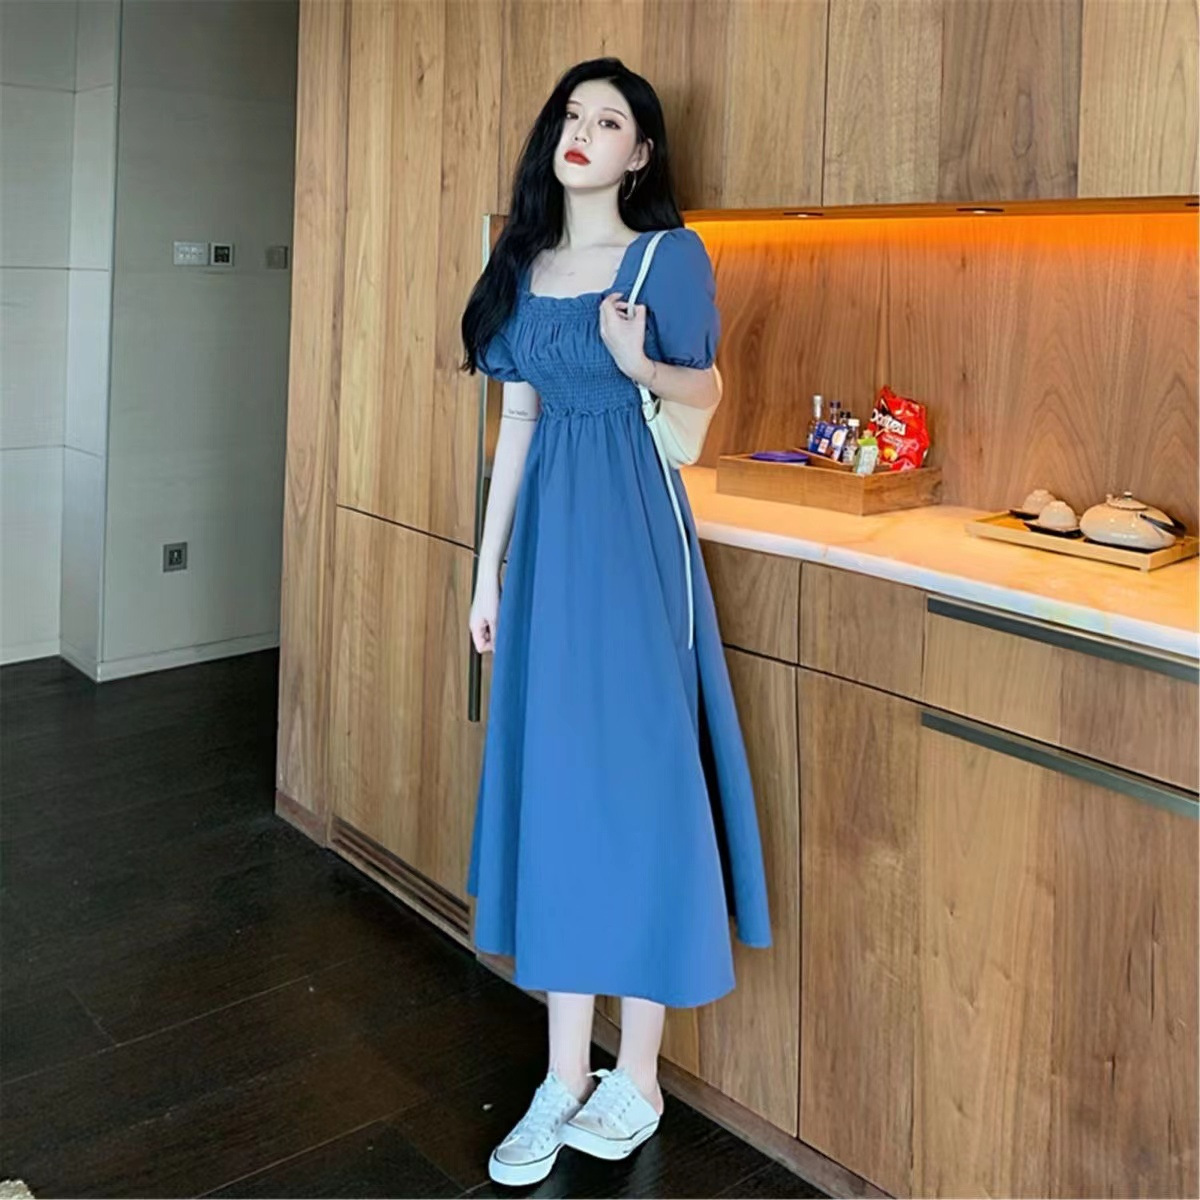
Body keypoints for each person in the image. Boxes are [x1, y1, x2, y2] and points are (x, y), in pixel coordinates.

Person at [458, 56, 772, 1188]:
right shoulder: (524, 259)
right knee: (559, 790)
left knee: (640, 794)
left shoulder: (665, 259)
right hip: (550, 548)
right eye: (572, 114)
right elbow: (519, 423)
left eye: (610, 120)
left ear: (640, 154)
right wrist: (487, 573)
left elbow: (708, 391)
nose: (583, 131)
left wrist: (644, 361)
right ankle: (564, 1075)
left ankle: (636, 1075)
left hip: (638, 543)